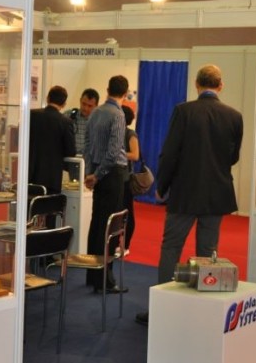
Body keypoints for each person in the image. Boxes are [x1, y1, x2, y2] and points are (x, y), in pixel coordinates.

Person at [136, 64, 243, 325]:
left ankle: (163, 308)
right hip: (216, 193)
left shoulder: (183, 111)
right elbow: (233, 157)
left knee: (171, 247)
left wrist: (162, 186)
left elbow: (170, 153)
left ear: (197, 84)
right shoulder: (234, 116)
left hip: (184, 192)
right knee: (208, 251)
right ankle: (204, 312)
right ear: (220, 86)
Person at [83, 76, 129, 294]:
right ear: (125, 93)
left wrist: (90, 173)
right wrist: (99, 175)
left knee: (97, 224)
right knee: (110, 227)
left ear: (108, 89)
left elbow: (87, 144)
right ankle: (106, 280)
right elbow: (113, 152)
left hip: (97, 172)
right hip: (112, 175)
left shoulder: (96, 113)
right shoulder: (118, 115)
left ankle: (92, 275)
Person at [27, 85, 75, 195]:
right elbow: (70, 151)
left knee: (30, 204)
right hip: (51, 178)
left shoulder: (31, 115)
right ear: (64, 104)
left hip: (29, 174)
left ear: (48, 98)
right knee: (48, 205)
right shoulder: (66, 122)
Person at [65, 88, 99, 180]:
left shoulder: (99, 120)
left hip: (91, 164)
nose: (85, 108)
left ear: (96, 106)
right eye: (83, 104)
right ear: (80, 101)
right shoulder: (69, 116)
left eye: (90, 106)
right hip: (73, 162)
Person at [121, 105, 140, 253]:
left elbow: (135, 155)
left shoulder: (130, 134)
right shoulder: (113, 132)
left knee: (128, 213)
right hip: (114, 178)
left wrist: (117, 153)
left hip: (126, 179)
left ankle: (126, 245)